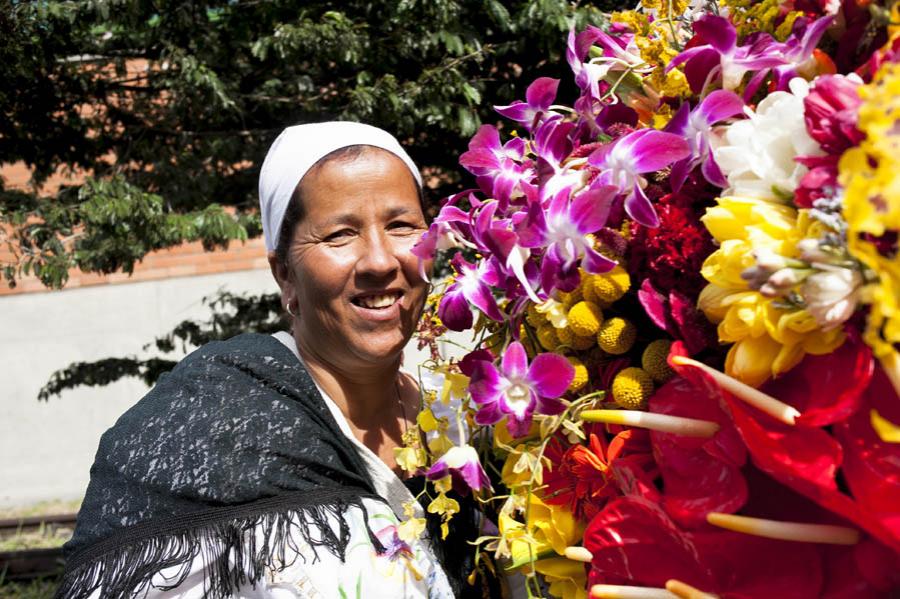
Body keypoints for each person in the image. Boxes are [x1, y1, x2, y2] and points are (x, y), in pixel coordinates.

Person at [57, 122, 487, 598]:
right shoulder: (219, 421)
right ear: (284, 273)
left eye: (402, 226)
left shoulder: (465, 419)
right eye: (340, 234)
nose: (381, 261)